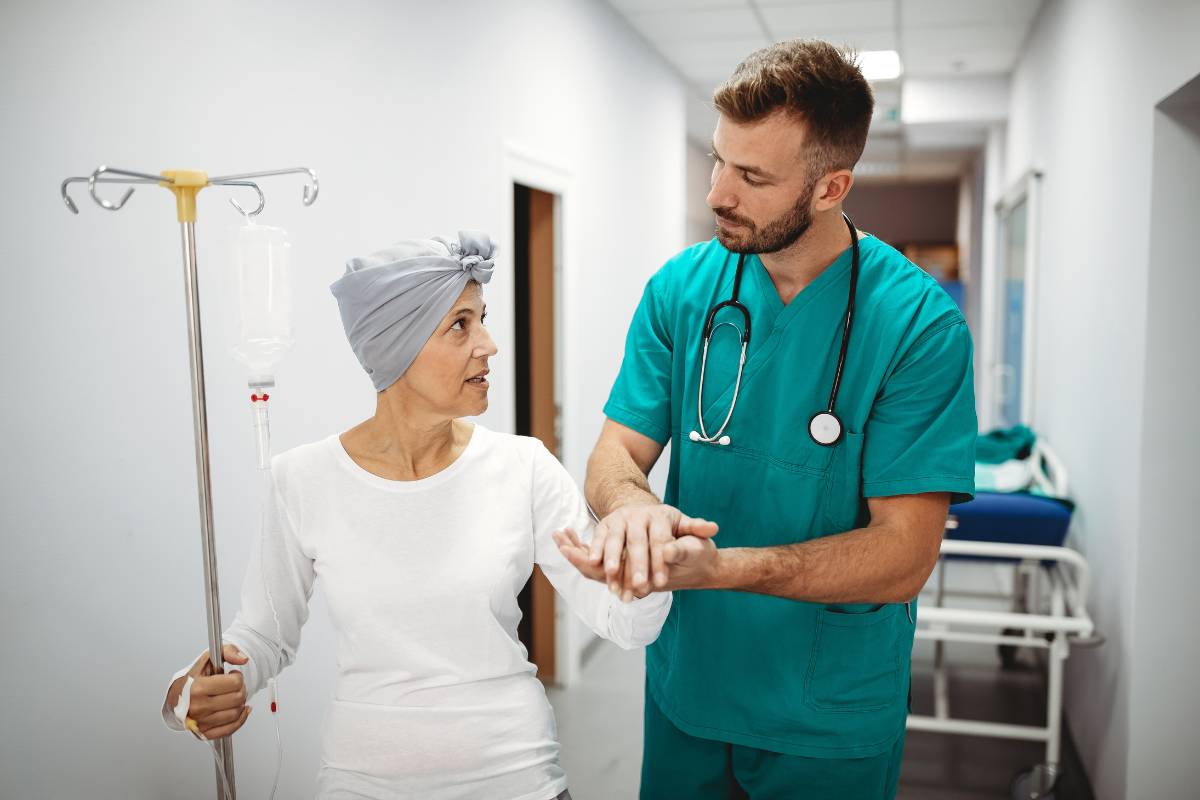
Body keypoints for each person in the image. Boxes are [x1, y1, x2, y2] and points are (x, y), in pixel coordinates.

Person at [554, 41, 977, 799]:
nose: (719, 192)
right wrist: (632, 511)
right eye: (719, 160)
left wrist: (722, 568)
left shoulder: (917, 326)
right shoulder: (683, 289)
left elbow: (904, 556)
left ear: (830, 186)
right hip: (690, 687)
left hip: (827, 713)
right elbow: (617, 449)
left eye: (752, 177)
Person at [161, 231, 672, 800]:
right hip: (363, 782)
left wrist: (646, 575)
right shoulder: (302, 479)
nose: (489, 345)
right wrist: (197, 690)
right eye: (460, 324)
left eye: (482, 318)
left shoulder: (522, 467)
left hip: (518, 778)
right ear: (396, 346)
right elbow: (262, 635)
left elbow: (623, 623)